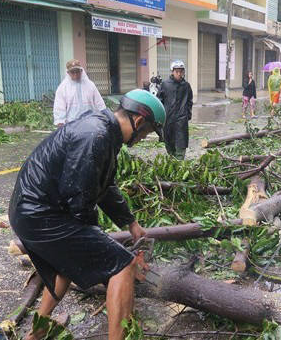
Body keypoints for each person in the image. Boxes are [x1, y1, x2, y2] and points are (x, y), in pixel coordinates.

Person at [9, 89, 166, 340]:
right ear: (138, 122)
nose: (142, 139)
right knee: (122, 266)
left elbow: (105, 186)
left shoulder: (104, 131)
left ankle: (36, 333)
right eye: (147, 133)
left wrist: (131, 223)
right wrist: (106, 249)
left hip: (30, 212)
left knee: (67, 265)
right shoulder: (96, 136)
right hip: (41, 215)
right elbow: (80, 201)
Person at [53, 59, 106, 127]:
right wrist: (60, 123)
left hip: (91, 124)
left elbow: (99, 103)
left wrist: (104, 115)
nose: (75, 74)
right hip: (71, 126)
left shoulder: (90, 85)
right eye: (72, 72)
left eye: (77, 71)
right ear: (68, 73)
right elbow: (59, 108)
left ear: (81, 71)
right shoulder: (63, 88)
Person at [158, 60, 193, 160]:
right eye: (177, 71)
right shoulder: (165, 84)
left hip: (181, 120)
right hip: (168, 119)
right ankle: (172, 162)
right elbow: (159, 101)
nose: (179, 74)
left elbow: (189, 101)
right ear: (172, 72)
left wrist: (187, 115)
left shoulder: (186, 86)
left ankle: (179, 163)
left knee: (181, 144)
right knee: (169, 143)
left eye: (181, 71)